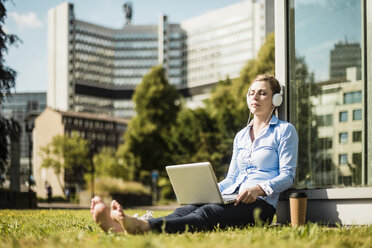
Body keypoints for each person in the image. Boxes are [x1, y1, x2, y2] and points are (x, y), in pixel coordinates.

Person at [91, 74, 299, 234]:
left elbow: (287, 176)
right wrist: (209, 190)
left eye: (262, 93)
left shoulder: (284, 130)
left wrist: (259, 189)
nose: (255, 97)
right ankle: (120, 227)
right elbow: (233, 178)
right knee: (188, 209)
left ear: (276, 99)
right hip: (232, 196)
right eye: (251, 92)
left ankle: (142, 226)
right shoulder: (241, 136)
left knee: (207, 214)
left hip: (260, 207)